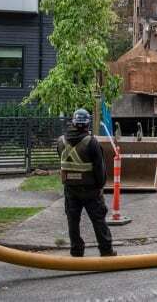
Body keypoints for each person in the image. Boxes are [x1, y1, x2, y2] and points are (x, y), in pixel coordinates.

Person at [57, 108, 116, 257]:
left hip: (70, 189)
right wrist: (100, 186)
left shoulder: (61, 141)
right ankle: (106, 250)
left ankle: (76, 251)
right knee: (98, 220)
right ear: (87, 124)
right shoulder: (91, 142)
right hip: (90, 190)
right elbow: (99, 169)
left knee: (73, 220)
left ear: (73, 123)